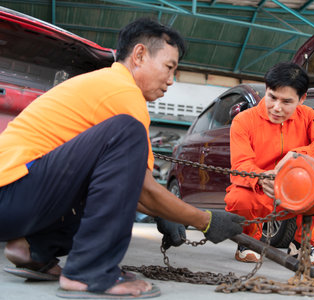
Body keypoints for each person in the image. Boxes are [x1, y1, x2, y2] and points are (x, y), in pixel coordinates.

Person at [0, 18, 244, 299]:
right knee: (127, 131)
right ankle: (91, 272)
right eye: (169, 67)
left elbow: (125, 184)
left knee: (99, 175)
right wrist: (205, 220)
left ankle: (33, 249)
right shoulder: (124, 92)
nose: (171, 80)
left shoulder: (105, 83)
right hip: (12, 194)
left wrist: (165, 211)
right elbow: (143, 190)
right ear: (139, 55)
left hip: (14, 199)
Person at [224, 62, 314, 266]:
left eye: (287, 101)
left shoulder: (308, 117)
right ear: (266, 90)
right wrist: (261, 178)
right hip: (263, 193)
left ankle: (304, 243)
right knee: (239, 197)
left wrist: (299, 155)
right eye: (272, 97)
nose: (277, 108)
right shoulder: (244, 121)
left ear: (302, 99)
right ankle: (248, 241)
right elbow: (241, 165)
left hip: (300, 192)